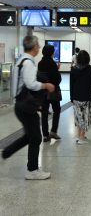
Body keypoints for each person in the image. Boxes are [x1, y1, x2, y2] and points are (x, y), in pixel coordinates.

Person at [2, 36, 55, 180]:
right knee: (36, 137)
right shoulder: (29, 63)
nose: (38, 48)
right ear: (34, 47)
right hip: (25, 106)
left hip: (20, 104)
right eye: (37, 45)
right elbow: (31, 84)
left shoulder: (20, 60)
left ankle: (6, 152)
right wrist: (46, 85)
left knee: (29, 136)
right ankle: (32, 170)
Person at [70, 50, 91, 144]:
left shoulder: (73, 69)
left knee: (79, 116)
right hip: (87, 97)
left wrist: (72, 98)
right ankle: (81, 138)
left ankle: (80, 136)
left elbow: (71, 85)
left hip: (76, 97)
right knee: (86, 116)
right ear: (88, 59)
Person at [38, 45, 62, 142]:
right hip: (53, 91)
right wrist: (57, 70)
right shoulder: (52, 64)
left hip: (43, 91)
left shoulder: (40, 63)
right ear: (52, 53)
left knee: (44, 112)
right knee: (57, 110)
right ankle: (53, 131)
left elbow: (40, 77)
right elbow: (57, 79)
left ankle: (45, 135)